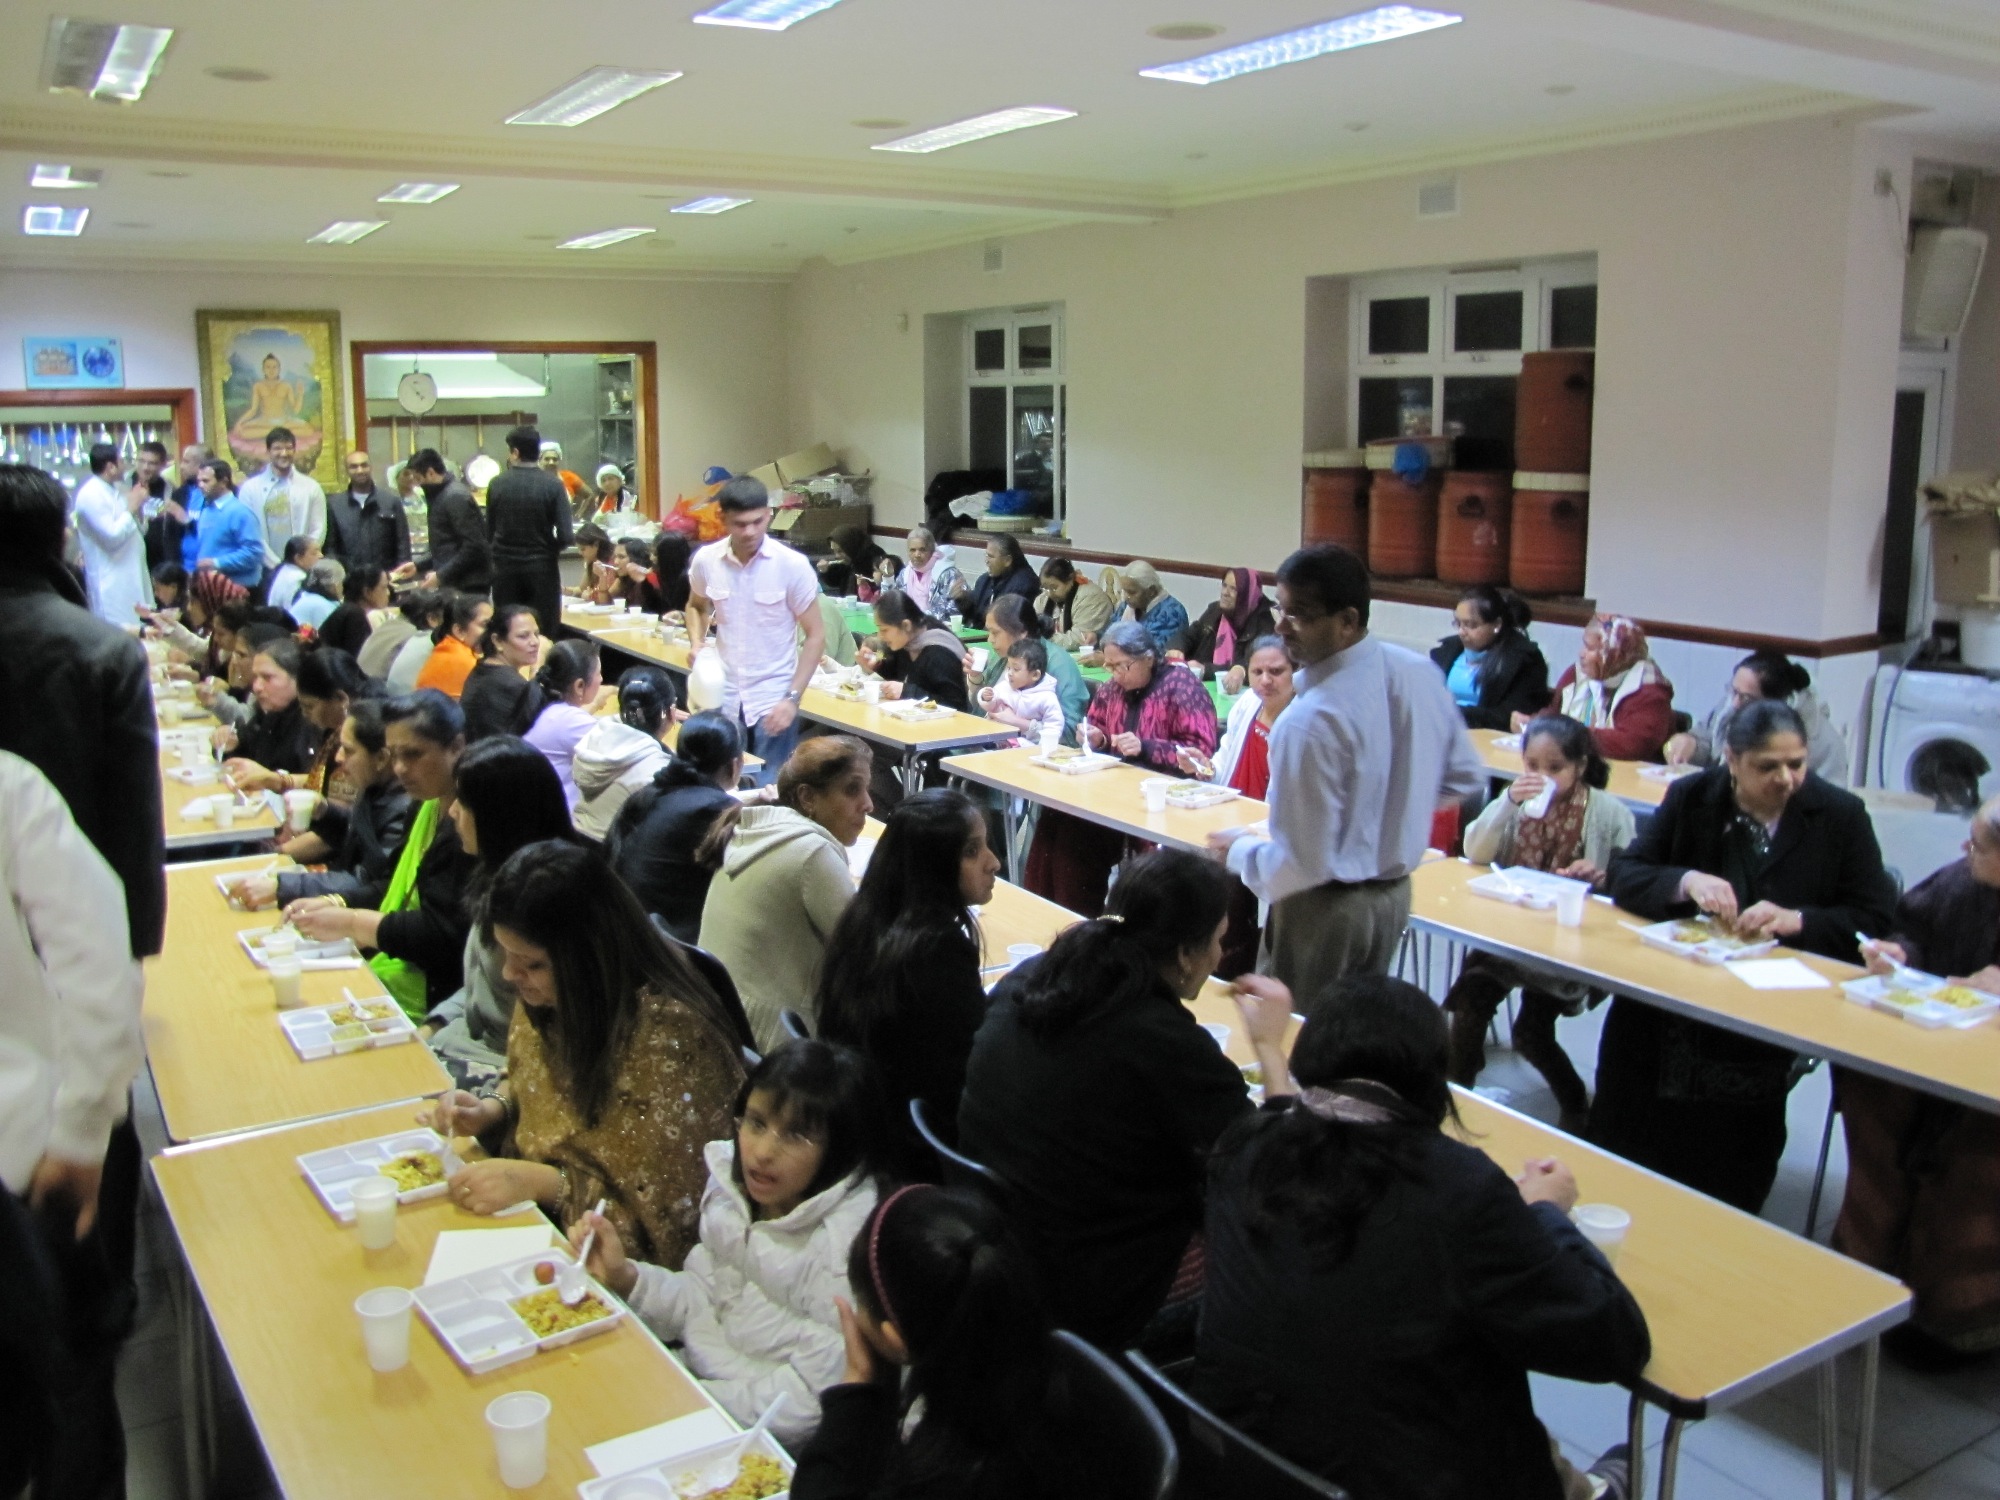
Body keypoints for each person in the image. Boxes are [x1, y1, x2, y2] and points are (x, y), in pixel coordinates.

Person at [1196, 973, 1648, 1500]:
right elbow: (1615, 1341)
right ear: (1433, 1080)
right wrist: (1546, 1213)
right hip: (1396, 1474)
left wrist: (1270, 1048)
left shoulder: (1244, 1148)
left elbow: (1288, 1117)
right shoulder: (1459, 1190)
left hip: (1247, 1463)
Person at [0, 465, 163, 1499]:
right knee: (76, 1324)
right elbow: (124, 894)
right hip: (46, 1076)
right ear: (61, 536)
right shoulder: (99, 651)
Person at [959, 849, 1296, 1350]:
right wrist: (1270, 1047)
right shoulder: (1161, 1041)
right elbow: (1279, 1166)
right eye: (1219, 941)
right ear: (1184, 953)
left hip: (998, 1233)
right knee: (1278, 1243)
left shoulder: (1034, 978)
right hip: (1087, 1286)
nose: (1221, 958)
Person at [1592, 699, 1896, 1211]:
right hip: (1668, 1003)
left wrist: (1799, 919)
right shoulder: (1692, 798)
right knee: (1631, 1144)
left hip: (1762, 1016)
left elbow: (1875, 916)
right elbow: (1626, 873)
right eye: (1767, 767)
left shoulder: (1839, 816)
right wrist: (1684, 879)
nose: (1786, 779)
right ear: (1731, 759)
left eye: (1796, 764)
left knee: (1728, 1171)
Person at [424, 839, 747, 1265]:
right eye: (507, 955)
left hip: (607, 1271)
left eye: (532, 964)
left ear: (588, 957)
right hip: (530, 1225)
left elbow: (669, 1226)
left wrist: (546, 1184)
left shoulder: (669, 1041)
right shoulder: (557, 994)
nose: (509, 974)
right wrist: (493, 1109)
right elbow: (534, 1082)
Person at [570, 1041, 885, 1447]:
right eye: (755, 1123)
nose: (763, 1152)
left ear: (840, 1151)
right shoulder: (738, 1192)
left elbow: (807, 1404)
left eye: (796, 1136)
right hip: (700, 1397)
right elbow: (701, 1300)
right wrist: (627, 1277)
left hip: (764, 1445)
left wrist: (685, 1399)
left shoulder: (846, 1247)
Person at [1213, 545, 1485, 1001]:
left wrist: (1238, 852)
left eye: (1299, 615)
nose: (1280, 626)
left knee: (1296, 1036)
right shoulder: (1415, 672)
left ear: (1348, 621)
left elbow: (1301, 865)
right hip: (1392, 897)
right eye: (1280, 608)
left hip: (1325, 909)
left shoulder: (1308, 721)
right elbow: (1460, 777)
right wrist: (1389, 810)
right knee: (1350, 1029)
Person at [0, 751, 146, 1500]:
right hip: (18, 1160)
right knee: (58, 1384)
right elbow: (98, 952)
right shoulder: (8, 786)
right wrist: (84, 1130)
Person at [794, 1186, 1110, 1500]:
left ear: (896, 1339)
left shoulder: (950, 1474)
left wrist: (855, 1387)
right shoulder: (1026, 1364)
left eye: (860, 1301)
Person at [1836, 797, 2000, 1359]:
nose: (1964, 852)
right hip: (1933, 1046)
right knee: (1877, 1100)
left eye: (1978, 845)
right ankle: (1871, 1279)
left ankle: (1955, 1318)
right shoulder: (1962, 881)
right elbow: (1918, 928)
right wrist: (1898, 952)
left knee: (1969, 1161)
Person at [1443, 715, 1637, 1133]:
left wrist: (1601, 876)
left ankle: (1574, 1101)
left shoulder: (1607, 814)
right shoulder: (1515, 805)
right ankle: (1456, 1093)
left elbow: (1632, 878)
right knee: (1471, 999)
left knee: (1531, 1031)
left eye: (1554, 768)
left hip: (1567, 944)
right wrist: (1506, 802)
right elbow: (1476, 852)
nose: (1541, 777)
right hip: (1511, 933)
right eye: (1532, 766)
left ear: (1579, 766)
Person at [815, 789, 1000, 1182]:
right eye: (972, 851)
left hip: (864, 1135)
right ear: (932, 866)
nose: (994, 863)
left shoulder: (864, 922)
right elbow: (971, 1075)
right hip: (911, 1159)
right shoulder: (937, 950)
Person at [288, 690, 477, 1018]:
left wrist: (353, 922)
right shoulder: (424, 802)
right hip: (389, 964)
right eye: (394, 755)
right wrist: (338, 902)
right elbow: (393, 884)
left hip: (433, 997)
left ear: (457, 747)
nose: (401, 768)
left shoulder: (469, 825)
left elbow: (445, 935)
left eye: (414, 755)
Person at [1025, 620, 1218, 915]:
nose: (1114, 674)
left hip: (1162, 795)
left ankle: (1087, 917)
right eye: (1109, 666)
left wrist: (1147, 746)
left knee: (1081, 839)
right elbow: (1098, 725)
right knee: (1059, 817)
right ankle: (1053, 913)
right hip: (1115, 788)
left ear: (1148, 658)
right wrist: (1096, 736)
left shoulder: (1181, 686)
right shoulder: (1112, 688)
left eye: (1121, 666)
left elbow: (1201, 753)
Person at [419, 737, 580, 1085]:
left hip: (507, 1074)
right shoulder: (494, 875)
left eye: (464, 801)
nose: (452, 811)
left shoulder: (551, 902)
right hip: (462, 1046)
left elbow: (551, 1046)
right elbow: (479, 991)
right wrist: (431, 1026)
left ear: (498, 814)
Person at [700, 735, 872, 1052]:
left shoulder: (757, 830)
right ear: (807, 797)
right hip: (777, 1045)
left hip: (729, 1025)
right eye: (852, 789)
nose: (868, 804)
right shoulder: (812, 852)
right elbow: (869, 958)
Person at [686, 476, 826, 782]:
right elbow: (696, 606)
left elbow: (816, 636)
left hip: (773, 698)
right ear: (722, 518)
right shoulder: (707, 561)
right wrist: (696, 642)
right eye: (739, 524)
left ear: (769, 515)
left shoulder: (792, 565)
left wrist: (792, 699)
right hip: (724, 696)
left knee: (771, 789)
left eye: (757, 521)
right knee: (720, 789)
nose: (749, 532)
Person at [1178, 634, 1296, 977]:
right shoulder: (1247, 705)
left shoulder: (1302, 721)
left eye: (1276, 671)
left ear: (1295, 672)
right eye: (1257, 671)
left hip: (1271, 833)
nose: (1265, 681)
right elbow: (1223, 763)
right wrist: (1204, 767)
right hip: (1234, 820)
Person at [232, 698, 413, 911]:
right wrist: (324, 811)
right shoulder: (375, 785)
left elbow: (368, 881)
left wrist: (282, 887)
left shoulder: (405, 808)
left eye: (348, 750)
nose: (338, 757)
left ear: (382, 759)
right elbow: (353, 836)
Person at [610, 710, 747, 942]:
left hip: (621, 926)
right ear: (735, 766)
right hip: (660, 947)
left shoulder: (653, 792)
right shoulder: (718, 810)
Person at [1666, 650, 1849, 783]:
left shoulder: (1823, 743)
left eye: (1746, 698)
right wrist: (1691, 743)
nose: (1735, 703)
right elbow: (1705, 738)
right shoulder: (1730, 707)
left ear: (1776, 702)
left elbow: (1831, 810)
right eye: (1733, 691)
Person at [1516, 613, 1675, 764]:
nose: (1581, 654)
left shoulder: (1649, 691)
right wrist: (1532, 723)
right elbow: (1554, 713)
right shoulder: (1576, 675)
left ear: (1614, 652)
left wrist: (1565, 734)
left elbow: (1632, 745)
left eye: (1590, 649)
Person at [486, 425, 574, 634]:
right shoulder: (553, 485)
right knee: (543, 631)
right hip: (542, 569)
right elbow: (566, 535)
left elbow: (488, 532)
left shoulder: (497, 484)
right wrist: (549, 549)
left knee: (508, 631)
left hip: (505, 570)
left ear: (515, 452)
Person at [573, 665, 677, 841]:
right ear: (671, 713)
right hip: (615, 859)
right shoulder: (658, 771)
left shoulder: (594, 737)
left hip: (576, 844)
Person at [1431, 584, 1551, 731]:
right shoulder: (1446, 651)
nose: (1462, 632)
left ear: (1497, 625)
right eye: (1458, 623)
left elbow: (1507, 718)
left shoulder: (1524, 661)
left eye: (1471, 625)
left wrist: (1452, 713)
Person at [980, 595, 1089, 741]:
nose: (990, 640)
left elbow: (1071, 734)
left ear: (1022, 632)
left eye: (995, 633)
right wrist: (975, 679)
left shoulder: (1058, 663)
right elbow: (979, 713)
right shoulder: (1001, 657)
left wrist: (1021, 724)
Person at [215, 635, 321, 778]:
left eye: (267, 677)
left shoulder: (315, 722)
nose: (256, 687)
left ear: (298, 678)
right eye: (256, 677)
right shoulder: (268, 712)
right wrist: (229, 743)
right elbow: (244, 756)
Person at [72, 441, 153, 626]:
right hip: (113, 582)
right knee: (122, 633)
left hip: (133, 575)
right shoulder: (90, 495)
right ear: (110, 467)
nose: (126, 465)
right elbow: (112, 537)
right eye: (122, 461)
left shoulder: (116, 489)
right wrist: (131, 507)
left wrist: (138, 506)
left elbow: (141, 529)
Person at [859, 589, 970, 710]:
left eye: (884, 630)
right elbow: (901, 675)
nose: (880, 636)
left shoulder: (939, 653)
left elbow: (956, 705)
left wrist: (907, 692)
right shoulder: (907, 640)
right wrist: (878, 666)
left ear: (906, 625)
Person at [522, 639, 603, 806]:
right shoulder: (571, 721)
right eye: (598, 673)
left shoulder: (548, 706)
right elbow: (619, 756)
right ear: (579, 686)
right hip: (555, 817)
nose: (601, 680)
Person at [238, 426, 326, 572]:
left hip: (303, 567)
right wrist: (276, 565)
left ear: (295, 450)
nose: (284, 453)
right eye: (277, 448)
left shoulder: (311, 487)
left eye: (289, 448)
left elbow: (318, 528)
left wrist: (303, 560)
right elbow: (250, 532)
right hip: (263, 568)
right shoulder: (250, 489)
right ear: (268, 451)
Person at [407, 448, 490, 593]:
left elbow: (474, 546)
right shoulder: (440, 495)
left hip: (467, 584)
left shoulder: (455, 497)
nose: (417, 484)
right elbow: (444, 544)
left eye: (419, 479)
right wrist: (418, 565)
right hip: (456, 580)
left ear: (431, 473)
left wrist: (442, 575)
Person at [459, 603, 542, 742]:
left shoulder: (482, 667)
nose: (535, 642)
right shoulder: (514, 686)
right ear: (497, 640)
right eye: (523, 636)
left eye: (536, 634)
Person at [1184, 566, 1277, 687]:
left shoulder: (1267, 621)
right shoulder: (1215, 611)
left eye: (1233, 589)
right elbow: (1190, 634)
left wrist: (1206, 670)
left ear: (1248, 594)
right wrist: (1175, 648)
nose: (1225, 593)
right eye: (1224, 586)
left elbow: (1255, 665)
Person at [324, 449, 411, 576]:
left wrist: (401, 574)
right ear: (346, 471)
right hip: (350, 580)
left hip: (386, 578)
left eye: (364, 465)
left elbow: (403, 542)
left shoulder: (390, 501)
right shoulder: (335, 505)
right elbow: (330, 547)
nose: (360, 470)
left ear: (371, 467)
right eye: (354, 467)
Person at [189, 457, 265, 591]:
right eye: (199, 481)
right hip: (211, 587)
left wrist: (217, 563)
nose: (200, 485)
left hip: (238, 589)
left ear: (223, 481)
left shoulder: (240, 512)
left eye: (206, 481)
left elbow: (255, 552)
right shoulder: (206, 511)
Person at [977, 638, 1065, 746]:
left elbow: (1054, 726)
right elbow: (992, 706)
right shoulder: (1005, 686)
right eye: (1009, 668)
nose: (1010, 673)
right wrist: (987, 697)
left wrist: (1045, 748)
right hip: (998, 741)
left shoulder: (1047, 697)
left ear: (1035, 675)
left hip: (1026, 747)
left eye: (1016, 669)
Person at [949, 534, 1038, 627]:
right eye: (986, 555)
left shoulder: (1024, 584)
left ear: (1007, 560)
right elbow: (975, 616)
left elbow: (1005, 621)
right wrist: (964, 601)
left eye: (991, 556)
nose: (986, 561)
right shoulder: (984, 580)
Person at [415, 593, 490, 698]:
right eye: (485, 625)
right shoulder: (462, 660)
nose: (493, 631)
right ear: (459, 631)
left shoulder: (451, 648)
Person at [1113, 559, 1189, 657]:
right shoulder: (1126, 607)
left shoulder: (1171, 612)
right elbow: (1109, 634)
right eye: (1125, 591)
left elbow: (1154, 653)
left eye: (1132, 592)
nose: (1126, 596)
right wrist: (1095, 636)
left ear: (1151, 591)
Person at [1035, 556, 1112, 651]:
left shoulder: (1091, 598)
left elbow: (1077, 640)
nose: (1049, 593)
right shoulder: (1043, 599)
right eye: (1045, 587)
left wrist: (1038, 639)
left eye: (1054, 587)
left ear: (1070, 580)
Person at [361, 586, 435, 682]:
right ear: (430, 618)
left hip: (361, 684)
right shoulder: (414, 637)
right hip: (377, 690)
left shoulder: (388, 625)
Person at [318, 563, 388, 659]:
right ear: (367, 592)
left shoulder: (349, 610)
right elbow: (359, 661)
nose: (388, 593)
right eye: (384, 588)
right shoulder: (354, 616)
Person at [894, 525, 963, 620]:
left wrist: (917, 618)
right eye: (912, 550)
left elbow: (953, 611)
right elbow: (893, 605)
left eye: (922, 550)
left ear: (932, 551)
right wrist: (887, 579)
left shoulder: (948, 574)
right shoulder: (904, 574)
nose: (917, 555)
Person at [818, 523, 898, 602]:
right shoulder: (849, 558)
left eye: (840, 551)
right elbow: (835, 581)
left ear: (850, 546)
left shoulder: (874, 557)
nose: (837, 556)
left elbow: (880, 591)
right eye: (834, 551)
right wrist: (825, 571)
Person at [167, 442, 212, 573]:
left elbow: (216, 530)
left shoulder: (216, 493)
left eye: (186, 462)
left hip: (211, 569)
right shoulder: (179, 493)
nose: (181, 467)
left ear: (201, 465)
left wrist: (187, 520)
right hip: (183, 569)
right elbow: (170, 535)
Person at [608, 537, 668, 614]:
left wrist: (643, 581)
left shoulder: (651, 577)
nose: (616, 562)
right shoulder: (623, 579)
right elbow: (606, 604)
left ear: (635, 559)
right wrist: (602, 577)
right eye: (615, 557)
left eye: (621, 557)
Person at [265, 533, 321, 613]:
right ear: (298, 558)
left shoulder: (283, 570)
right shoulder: (298, 579)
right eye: (314, 553)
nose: (321, 556)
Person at [290, 556, 344, 631]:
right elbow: (327, 637)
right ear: (333, 584)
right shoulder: (321, 605)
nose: (342, 587)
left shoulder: (309, 597)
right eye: (341, 582)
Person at [539, 439, 588, 511]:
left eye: (555, 459)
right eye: (547, 459)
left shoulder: (568, 477)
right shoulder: (531, 479)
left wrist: (579, 514)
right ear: (539, 460)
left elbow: (589, 495)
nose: (551, 462)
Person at [572, 522, 616, 602]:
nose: (580, 553)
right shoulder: (592, 561)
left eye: (583, 549)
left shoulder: (612, 562)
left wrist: (591, 596)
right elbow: (581, 589)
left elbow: (608, 597)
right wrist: (563, 589)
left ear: (596, 544)